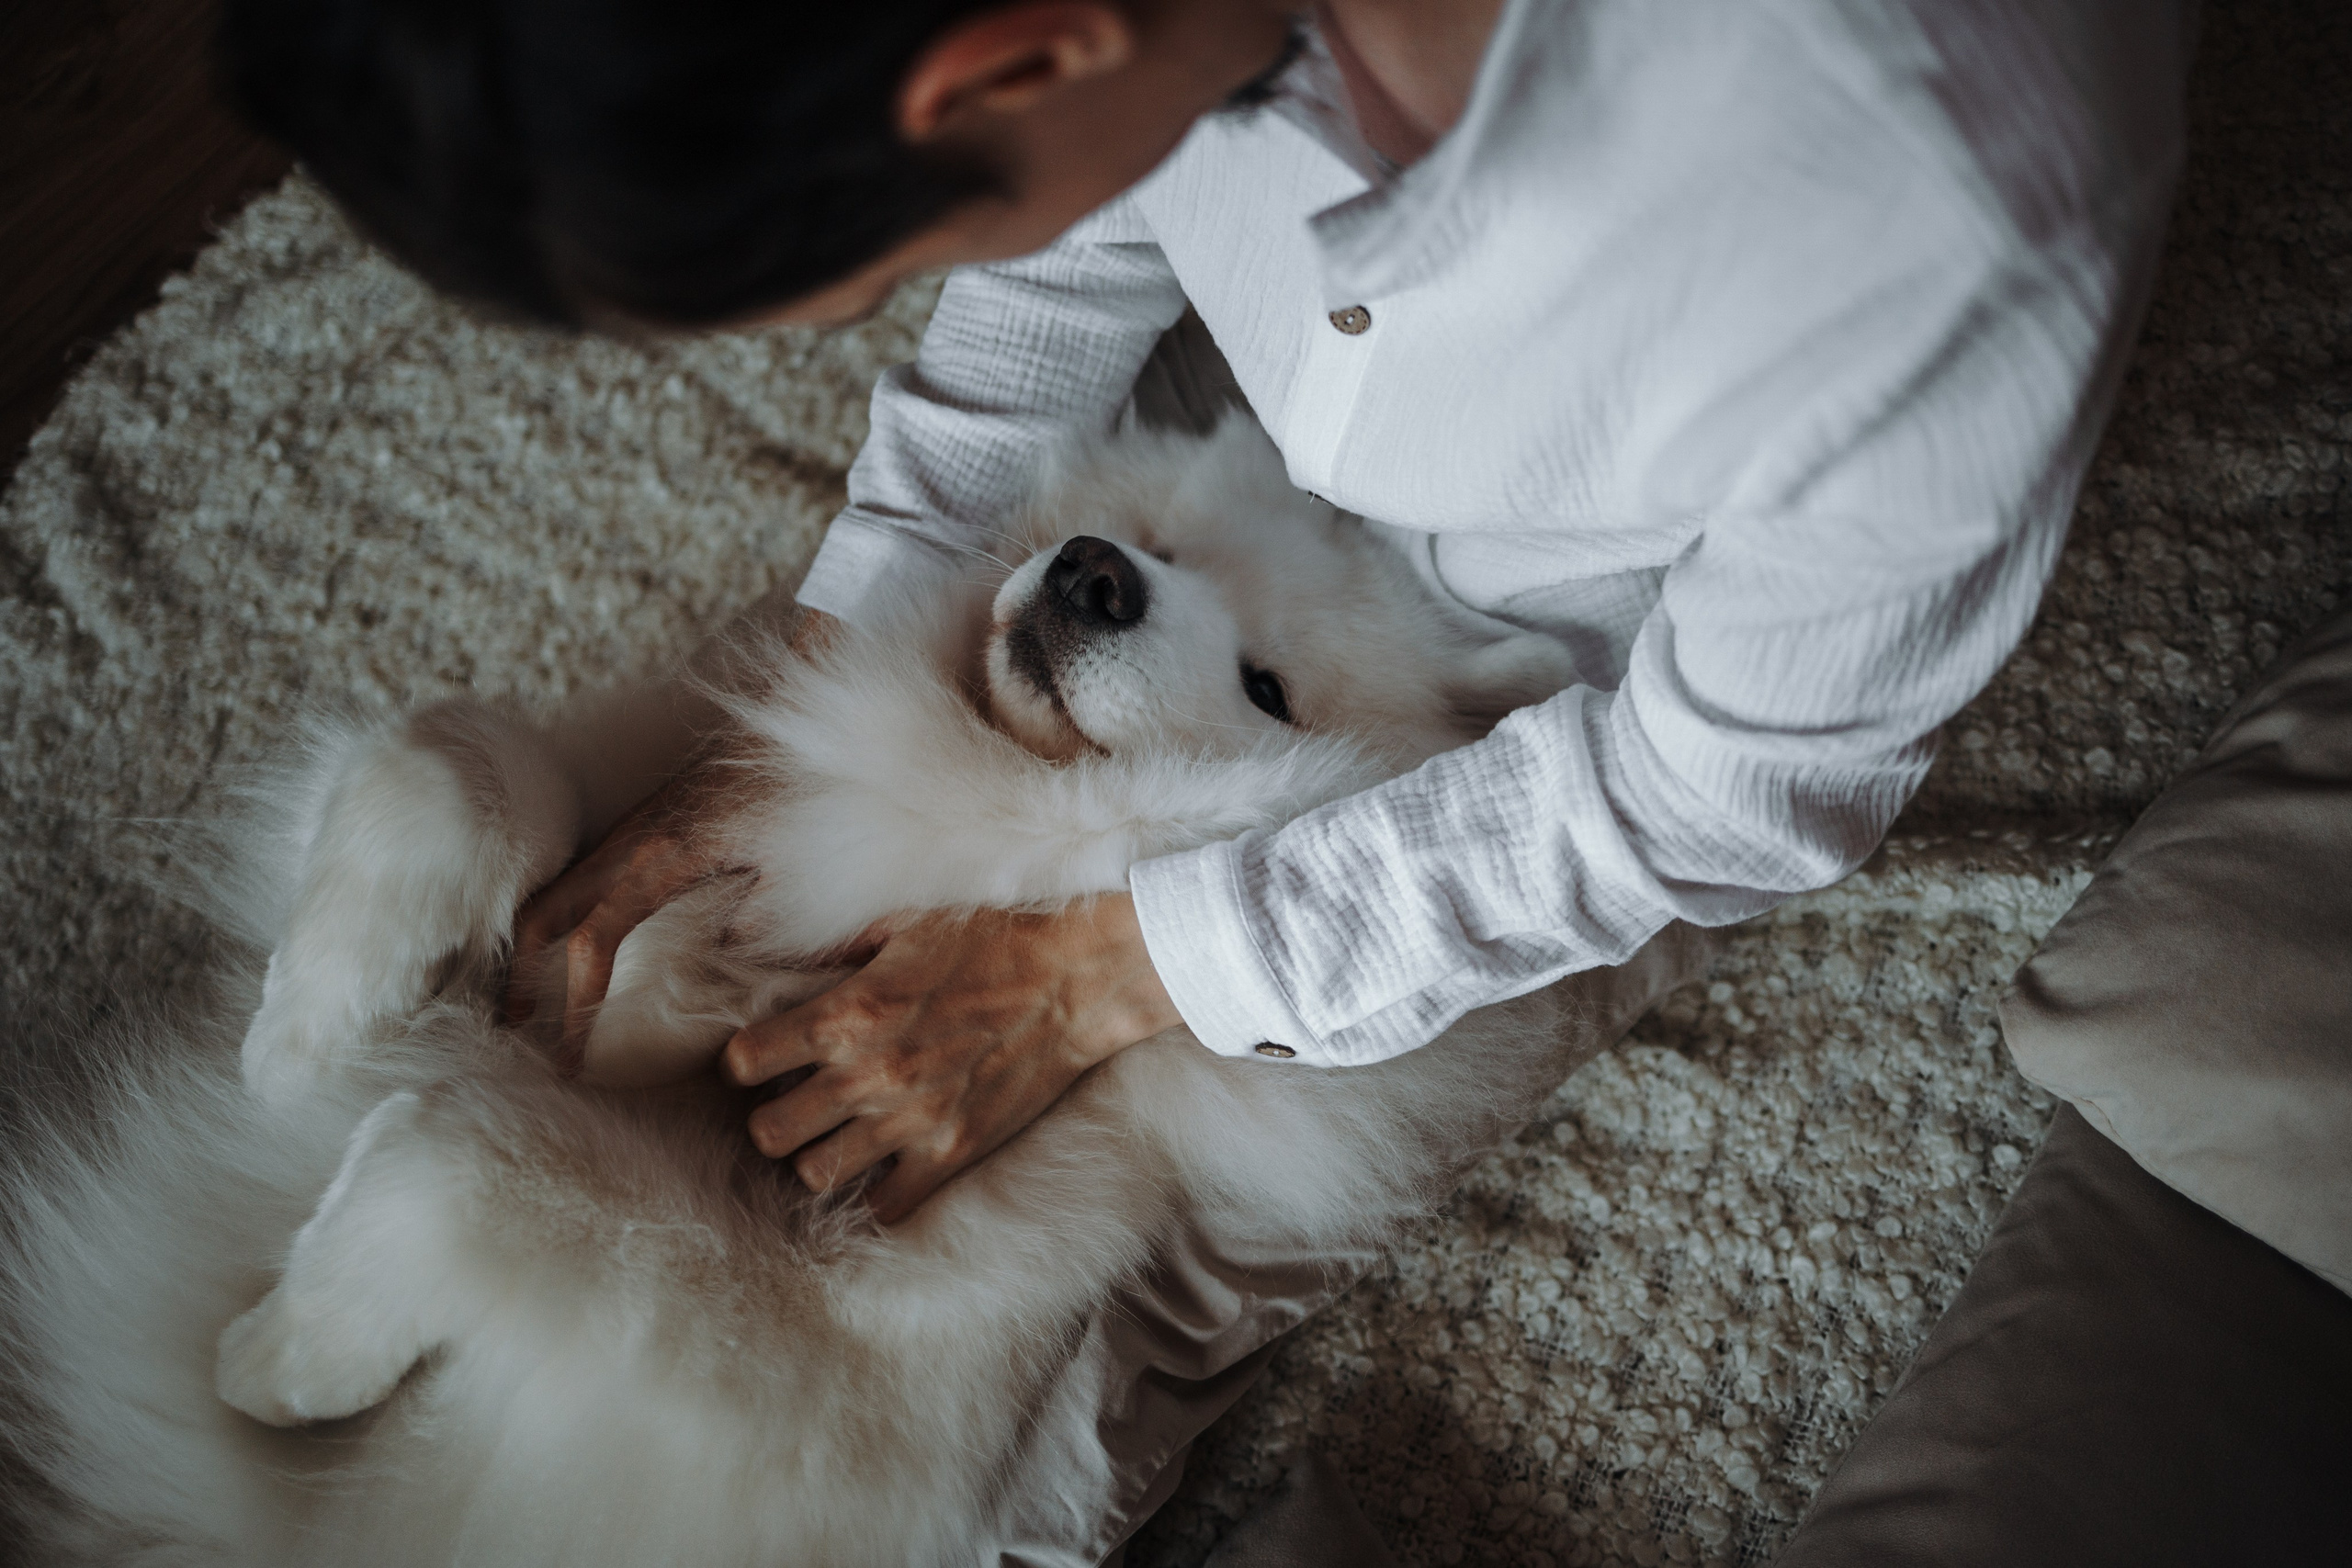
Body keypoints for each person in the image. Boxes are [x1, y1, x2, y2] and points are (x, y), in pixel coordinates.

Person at [220, 0, 2196, 1228]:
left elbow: (1716, 803)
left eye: (904, 251)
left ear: (1015, 56)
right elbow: (1086, 219)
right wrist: (829, 656)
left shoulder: (1930, 227)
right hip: (1235, 528)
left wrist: (1111, 970)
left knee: (1111, 1208)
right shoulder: (1104, 57)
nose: (937, 274)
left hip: (1539, 701)